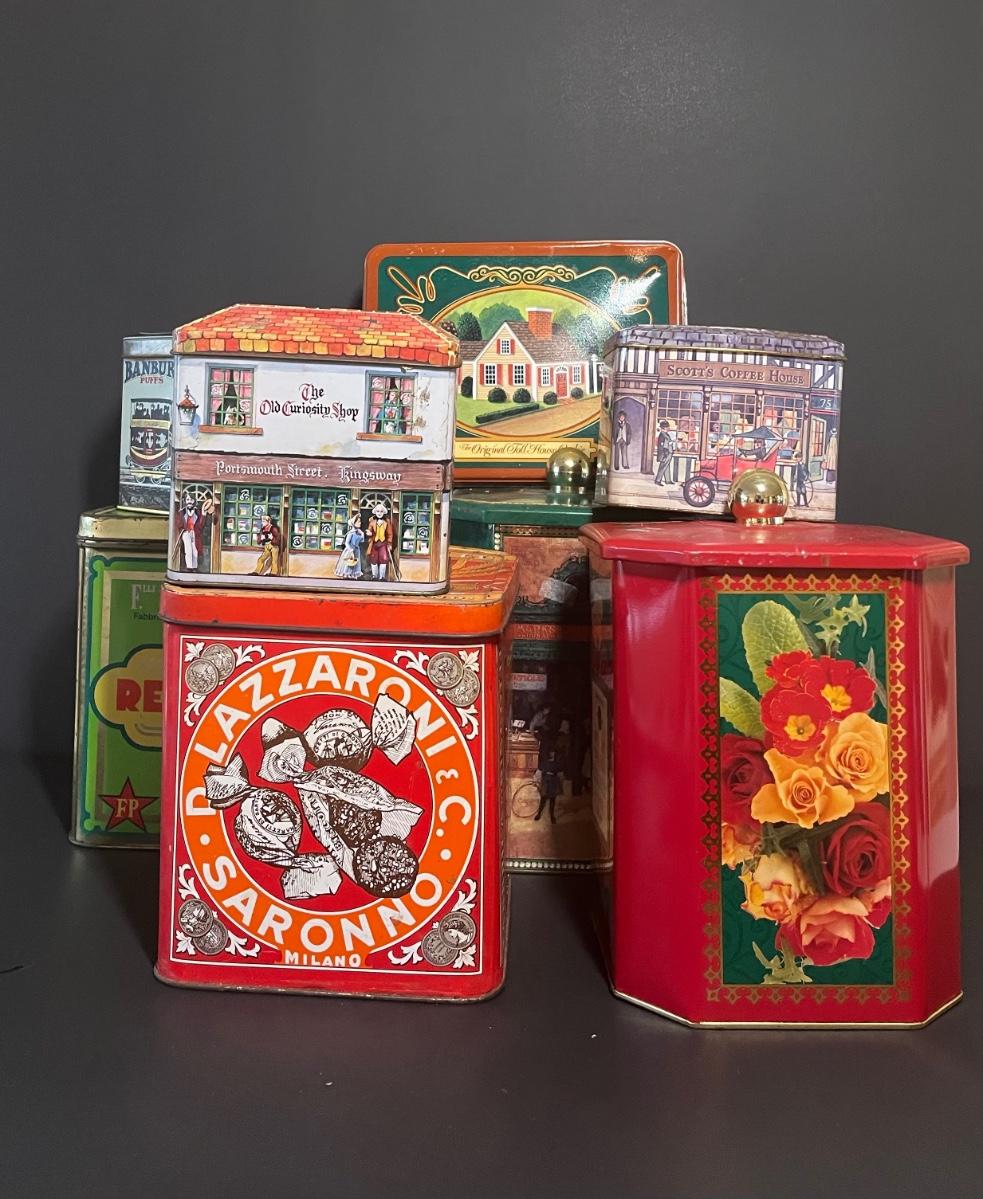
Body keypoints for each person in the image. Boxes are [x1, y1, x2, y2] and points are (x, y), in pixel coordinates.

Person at [175, 492, 205, 571]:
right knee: (188, 550)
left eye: (191, 499)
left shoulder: (198, 512)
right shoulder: (181, 512)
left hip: (195, 532)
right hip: (186, 532)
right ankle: (189, 567)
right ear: (185, 501)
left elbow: (201, 525)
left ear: (194, 501)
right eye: (188, 499)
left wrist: (203, 515)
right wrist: (184, 530)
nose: (189, 501)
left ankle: (195, 566)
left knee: (195, 550)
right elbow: (178, 523)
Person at [367, 501, 394, 581]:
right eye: (378, 511)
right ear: (375, 512)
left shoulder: (387, 522)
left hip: (383, 543)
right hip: (374, 543)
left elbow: (390, 534)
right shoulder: (372, 522)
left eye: (381, 511)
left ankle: (382, 576)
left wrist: (389, 543)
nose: (379, 513)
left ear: (384, 512)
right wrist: (369, 533)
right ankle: (374, 576)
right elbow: (369, 530)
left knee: (384, 559)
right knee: (373, 559)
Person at [251, 512, 282, 576]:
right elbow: (259, 539)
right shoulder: (263, 529)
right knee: (261, 559)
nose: (263, 522)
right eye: (262, 521)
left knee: (274, 560)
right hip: (267, 546)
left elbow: (278, 538)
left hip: (274, 546)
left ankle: (274, 572)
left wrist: (272, 538)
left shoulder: (273, 528)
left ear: (269, 521)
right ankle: (256, 571)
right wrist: (260, 539)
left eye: (264, 521)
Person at [336, 512, 365, 579]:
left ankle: (353, 574)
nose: (360, 523)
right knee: (349, 563)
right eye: (358, 522)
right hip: (350, 550)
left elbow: (362, 541)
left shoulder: (358, 533)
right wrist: (350, 550)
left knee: (355, 563)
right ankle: (347, 574)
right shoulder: (351, 533)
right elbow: (347, 543)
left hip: (356, 550)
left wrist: (362, 534)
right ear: (354, 523)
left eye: (360, 522)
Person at [654, 419, 674, 485]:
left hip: (668, 453)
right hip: (665, 453)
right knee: (662, 467)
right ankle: (658, 480)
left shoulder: (666, 434)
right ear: (664, 427)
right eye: (667, 426)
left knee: (666, 466)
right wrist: (665, 452)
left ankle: (668, 480)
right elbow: (661, 445)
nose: (668, 428)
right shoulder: (662, 435)